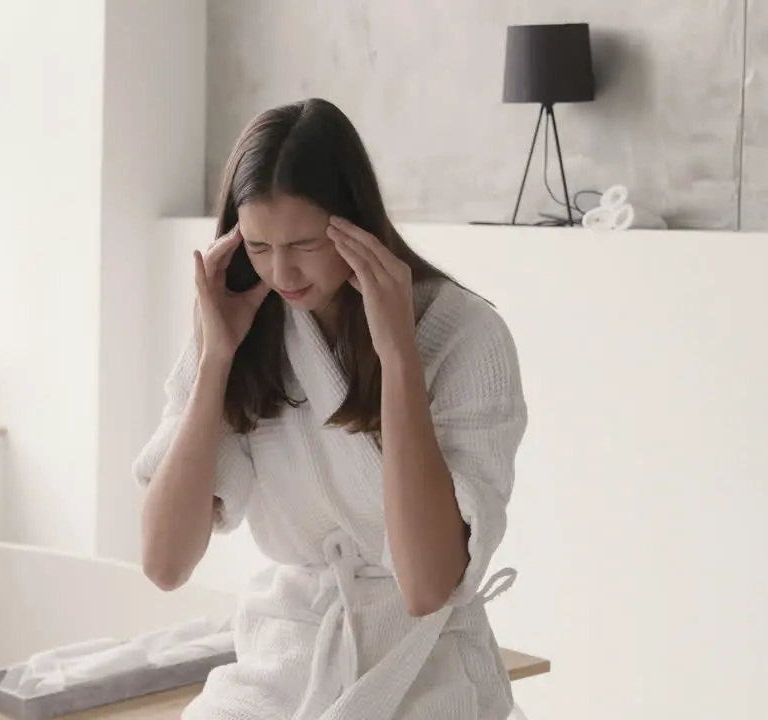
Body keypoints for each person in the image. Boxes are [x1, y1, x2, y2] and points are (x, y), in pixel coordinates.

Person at [132, 97, 528, 720]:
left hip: (423, 663)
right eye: (258, 246)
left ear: (356, 225)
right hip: (283, 656)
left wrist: (397, 354)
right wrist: (215, 360)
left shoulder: (464, 335)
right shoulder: (250, 327)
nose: (281, 271)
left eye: (304, 243)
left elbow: (427, 586)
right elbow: (165, 561)